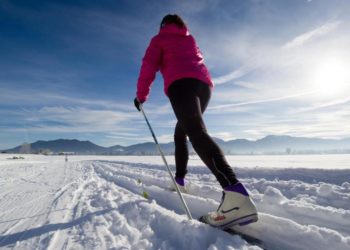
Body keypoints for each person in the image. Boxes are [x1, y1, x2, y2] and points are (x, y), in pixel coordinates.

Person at [134, 14, 258, 228]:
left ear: (163, 25)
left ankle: (236, 197)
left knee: (196, 132)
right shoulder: (189, 39)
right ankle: (180, 181)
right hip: (204, 86)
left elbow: (149, 66)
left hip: (181, 84)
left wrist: (141, 96)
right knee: (182, 132)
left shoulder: (159, 39)